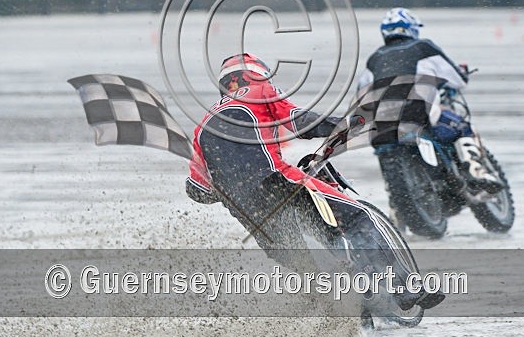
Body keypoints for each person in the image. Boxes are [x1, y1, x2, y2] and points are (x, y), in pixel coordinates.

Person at [185, 53, 444, 311]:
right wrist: (345, 125)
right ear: (255, 74)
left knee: (302, 262)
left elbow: (198, 191)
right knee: (358, 217)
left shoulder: (202, 126)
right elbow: (299, 121)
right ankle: (403, 288)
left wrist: (235, 178)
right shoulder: (259, 90)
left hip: (243, 206)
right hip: (275, 179)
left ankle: (337, 315)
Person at [357, 7, 502, 194]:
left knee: (386, 156)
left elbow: (362, 97)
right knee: (462, 127)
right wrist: (462, 73)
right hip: (416, 113)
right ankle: (477, 172)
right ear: (411, 28)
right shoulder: (423, 48)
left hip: (380, 123)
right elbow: (458, 80)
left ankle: (396, 208)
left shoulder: (374, 59)